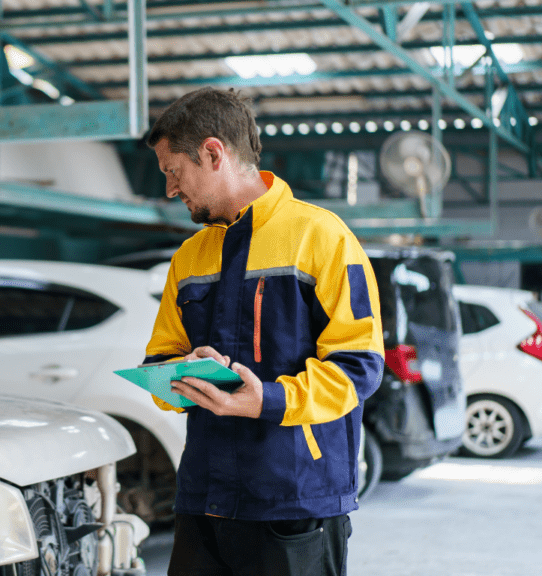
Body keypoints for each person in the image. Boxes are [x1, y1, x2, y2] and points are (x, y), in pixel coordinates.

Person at [143, 87, 385, 576]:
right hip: (204, 499)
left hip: (295, 499)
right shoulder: (189, 257)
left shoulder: (323, 237)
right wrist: (179, 375)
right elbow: (159, 360)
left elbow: (360, 367)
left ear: (213, 153)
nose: (170, 189)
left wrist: (268, 401)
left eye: (174, 171)